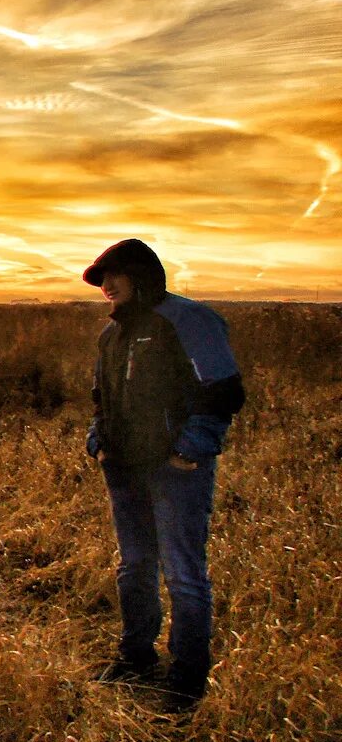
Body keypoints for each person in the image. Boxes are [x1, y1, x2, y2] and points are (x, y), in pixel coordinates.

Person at [83, 239, 244, 710]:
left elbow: (224, 392)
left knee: (183, 573)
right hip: (124, 469)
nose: (107, 286)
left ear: (140, 275)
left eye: (115, 276)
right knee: (134, 567)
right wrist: (99, 442)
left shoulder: (189, 320)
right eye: (102, 279)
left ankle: (187, 678)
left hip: (176, 472)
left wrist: (189, 449)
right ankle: (135, 659)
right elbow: (101, 395)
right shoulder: (112, 335)